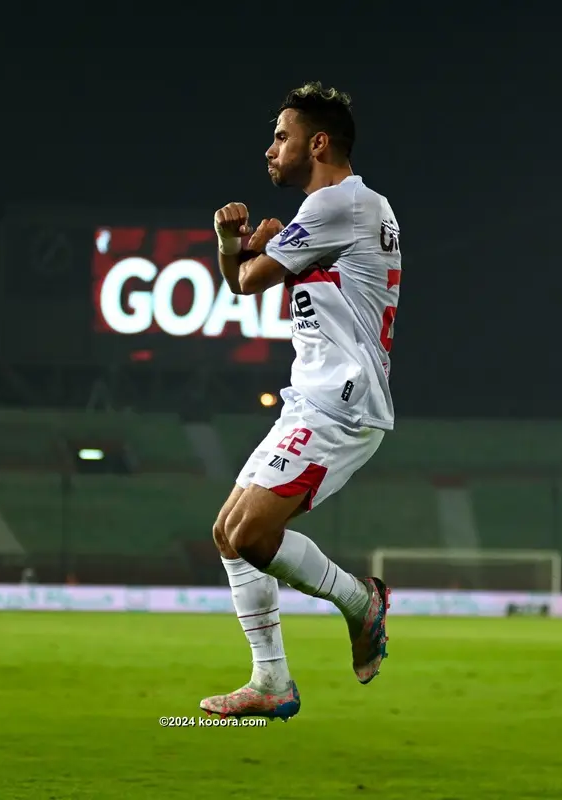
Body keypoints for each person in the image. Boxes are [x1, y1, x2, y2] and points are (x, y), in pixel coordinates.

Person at [200, 81, 402, 721]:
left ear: (318, 143)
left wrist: (239, 243)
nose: (271, 149)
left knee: (255, 533)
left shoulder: (340, 203)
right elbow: (244, 279)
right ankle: (271, 682)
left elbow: (247, 279)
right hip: (312, 395)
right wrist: (245, 246)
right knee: (230, 535)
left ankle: (358, 601)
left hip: (342, 401)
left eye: (282, 136)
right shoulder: (344, 209)